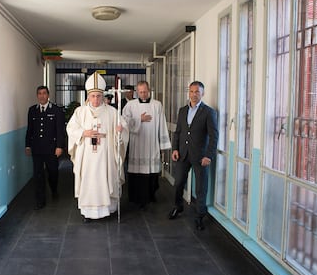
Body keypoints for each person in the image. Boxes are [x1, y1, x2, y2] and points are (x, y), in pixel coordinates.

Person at [67, 72, 129, 222]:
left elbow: (123, 130)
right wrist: (84, 132)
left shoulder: (112, 112)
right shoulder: (80, 112)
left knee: (106, 178)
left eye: (98, 96)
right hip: (87, 156)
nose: (95, 99)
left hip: (105, 155)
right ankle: (88, 213)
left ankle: (106, 209)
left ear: (103, 96)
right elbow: (71, 128)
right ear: (88, 96)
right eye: (93, 96)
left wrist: (120, 132)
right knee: (88, 181)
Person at [168, 81, 218, 230]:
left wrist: (208, 155)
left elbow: (213, 135)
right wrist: (175, 149)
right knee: (178, 183)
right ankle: (178, 207)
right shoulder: (182, 110)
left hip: (200, 156)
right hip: (183, 154)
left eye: (197, 92)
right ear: (188, 93)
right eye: (191, 91)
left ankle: (200, 216)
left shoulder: (209, 112)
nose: (194, 94)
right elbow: (178, 132)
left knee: (201, 188)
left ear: (203, 93)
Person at [122, 81, 171, 209]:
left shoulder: (157, 105)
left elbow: (162, 124)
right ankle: (136, 197)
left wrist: (163, 145)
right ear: (137, 91)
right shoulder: (130, 105)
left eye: (145, 91)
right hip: (137, 144)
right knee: (137, 172)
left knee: (152, 171)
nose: (143, 94)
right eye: (140, 92)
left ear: (149, 90)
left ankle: (151, 195)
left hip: (152, 143)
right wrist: (139, 119)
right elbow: (124, 121)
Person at [25, 85, 66, 210]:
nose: (42, 96)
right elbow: (30, 129)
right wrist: (27, 145)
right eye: (39, 93)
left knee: (53, 172)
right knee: (38, 174)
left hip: (51, 149)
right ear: (37, 96)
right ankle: (40, 201)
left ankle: (53, 189)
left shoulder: (56, 110)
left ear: (48, 95)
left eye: (44, 93)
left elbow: (60, 131)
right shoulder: (32, 110)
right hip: (37, 148)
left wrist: (59, 146)